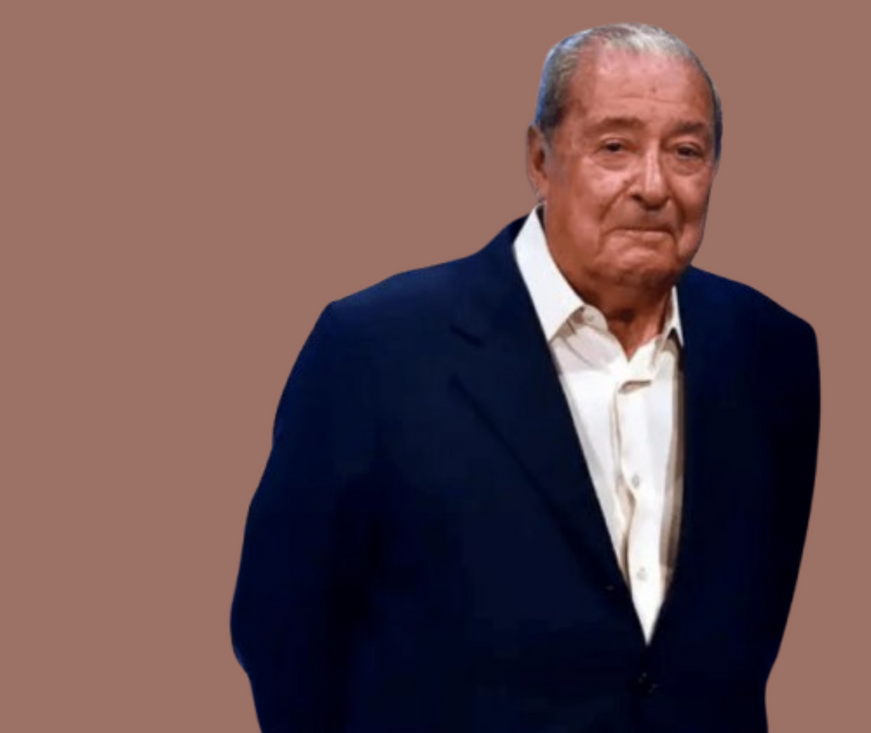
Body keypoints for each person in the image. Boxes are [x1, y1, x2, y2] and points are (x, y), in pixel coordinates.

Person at [231, 22, 820, 733]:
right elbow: (281, 627)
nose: (653, 186)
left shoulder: (772, 352)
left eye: (686, 152)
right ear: (540, 159)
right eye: (615, 147)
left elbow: (743, 630)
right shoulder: (373, 350)